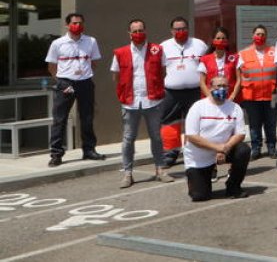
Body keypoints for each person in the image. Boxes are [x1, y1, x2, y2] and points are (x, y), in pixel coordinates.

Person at [110, 19, 173, 187]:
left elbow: (163, 71)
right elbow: (116, 76)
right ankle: (128, 173)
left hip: (152, 101)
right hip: (130, 102)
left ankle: (160, 169)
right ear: (129, 34)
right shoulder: (120, 53)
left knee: (156, 137)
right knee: (128, 138)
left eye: (141, 30)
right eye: (135, 31)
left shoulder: (157, 50)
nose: (138, 34)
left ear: (146, 30)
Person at [45, 12, 105, 166]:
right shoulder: (58, 43)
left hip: (85, 83)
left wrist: (85, 75)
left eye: (80, 23)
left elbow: (94, 62)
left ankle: (89, 150)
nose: (77, 26)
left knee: (87, 117)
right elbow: (52, 66)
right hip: (65, 83)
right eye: (74, 23)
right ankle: (56, 154)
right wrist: (61, 82)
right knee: (60, 119)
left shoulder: (91, 41)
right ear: (67, 25)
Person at [183, 75, 250, 201]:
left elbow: (240, 134)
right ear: (210, 88)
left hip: (224, 150)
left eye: (225, 86)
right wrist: (217, 147)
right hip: (199, 158)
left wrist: (225, 148)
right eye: (218, 86)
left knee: (243, 150)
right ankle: (200, 177)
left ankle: (233, 187)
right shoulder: (198, 107)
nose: (222, 89)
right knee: (199, 196)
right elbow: (191, 136)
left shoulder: (235, 108)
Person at [159, 16, 207, 167]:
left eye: (183, 28)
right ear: (171, 31)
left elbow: (207, 66)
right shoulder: (164, 47)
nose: (181, 31)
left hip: (195, 91)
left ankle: (191, 151)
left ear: (188, 29)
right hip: (171, 93)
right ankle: (170, 153)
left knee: (194, 122)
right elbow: (159, 70)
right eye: (177, 29)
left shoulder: (199, 45)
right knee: (169, 123)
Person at [236, 24, 277, 160]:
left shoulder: (274, 51)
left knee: (271, 122)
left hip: (271, 95)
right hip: (251, 95)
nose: (260, 37)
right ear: (252, 36)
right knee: (254, 124)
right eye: (258, 34)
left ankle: (272, 147)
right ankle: (256, 148)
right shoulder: (242, 54)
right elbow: (238, 75)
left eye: (263, 34)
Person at [197, 27, 240, 101]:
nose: (221, 40)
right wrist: (210, 97)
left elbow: (239, 80)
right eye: (218, 38)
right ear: (213, 40)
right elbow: (202, 82)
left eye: (223, 38)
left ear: (227, 40)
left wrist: (232, 96)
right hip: (210, 99)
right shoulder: (205, 59)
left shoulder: (235, 58)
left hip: (230, 99)